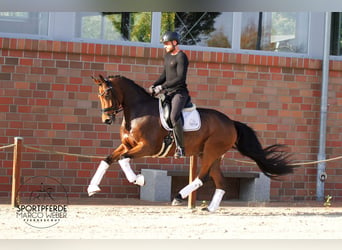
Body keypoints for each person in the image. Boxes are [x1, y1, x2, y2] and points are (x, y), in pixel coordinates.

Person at [149, 31, 191, 159]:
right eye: (164, 44)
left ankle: (180, 148)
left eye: (167, 43)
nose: (165, 46)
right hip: (168, 92)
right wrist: (155, 84)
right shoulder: (167, 56)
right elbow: (164, 75)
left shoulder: (181, 57)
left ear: (174, 42)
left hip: (179, 93)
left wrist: (162, 87)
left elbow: (180, 78)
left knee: (173, 117)